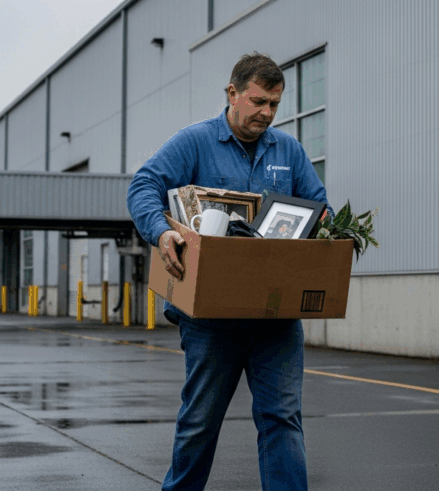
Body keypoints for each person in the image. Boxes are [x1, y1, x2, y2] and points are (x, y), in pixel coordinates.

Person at [127, 52, 332, 491]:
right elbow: (144, 185)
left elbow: (319, 208)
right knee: (200, 422)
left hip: (275, 319)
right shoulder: (194, 142)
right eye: (258, 101)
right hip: (209, 319)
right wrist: (162, 232)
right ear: (232, 93)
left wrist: (329, 232)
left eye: (274, 104)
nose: (266, 113)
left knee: (282, 419)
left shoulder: (288, 151)